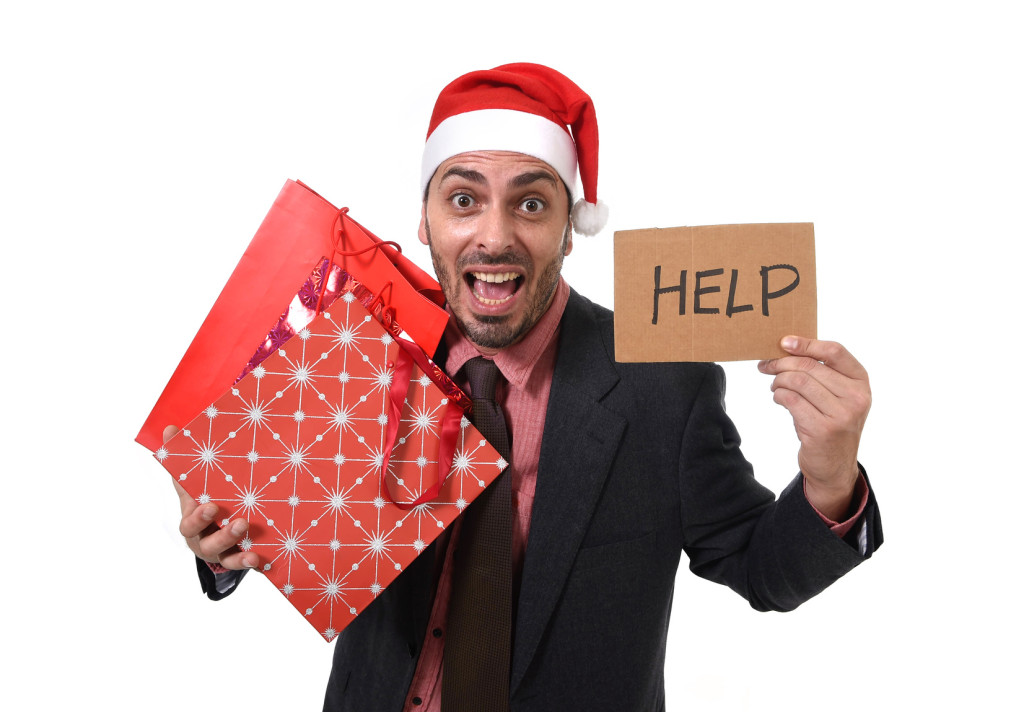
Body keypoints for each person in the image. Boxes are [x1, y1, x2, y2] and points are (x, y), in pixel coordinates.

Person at [173, 63, 881, 711]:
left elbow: (760, 567)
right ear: (425, 222)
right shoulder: (359, 348)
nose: (494, 236)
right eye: (463, 200)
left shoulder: (662, 388)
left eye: (532, 205)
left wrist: (829, 482)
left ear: (571, 230)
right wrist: (222, 548)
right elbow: (293, 523)